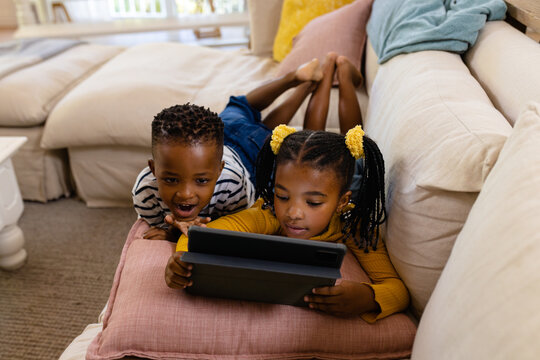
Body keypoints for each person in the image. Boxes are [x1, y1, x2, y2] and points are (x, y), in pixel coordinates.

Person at [164, 125, 409, 320]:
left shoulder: (352, 226)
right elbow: (198, 235)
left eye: (312, 203)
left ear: (342, 202)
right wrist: (181, 260)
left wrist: (368, 297)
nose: (293, 212)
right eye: (282, 196)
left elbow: (398, 290)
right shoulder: (268, 213)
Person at [132, 58, 325, 241]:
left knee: (262, 125)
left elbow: (235, 227)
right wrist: (171, 232)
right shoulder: (145, 192)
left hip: (249, 153)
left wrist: (176, 234)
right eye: (172, 179)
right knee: (243, 109)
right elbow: (160, 227)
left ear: (219, 171)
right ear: (153, 169)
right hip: (218, 138)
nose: (186, 193)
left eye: (201, 180)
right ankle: (304, 84)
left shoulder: (232, 185)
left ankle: (297, 78)